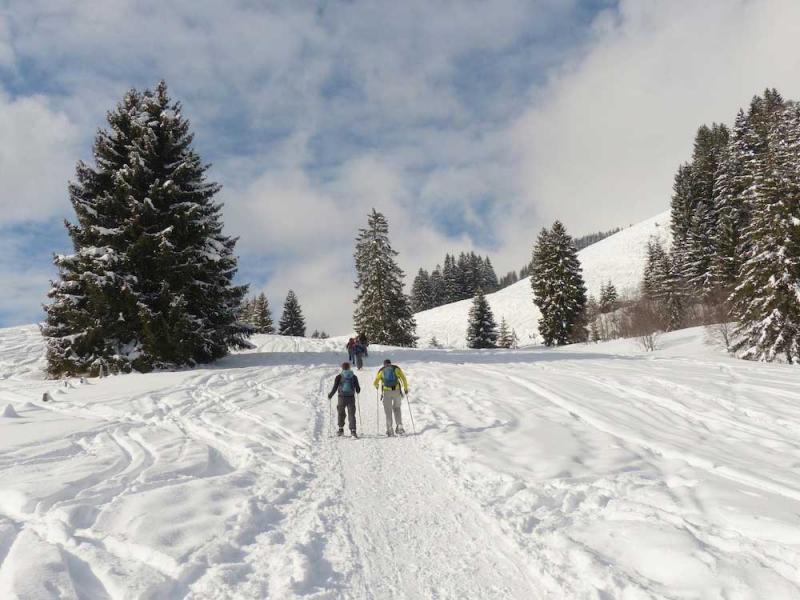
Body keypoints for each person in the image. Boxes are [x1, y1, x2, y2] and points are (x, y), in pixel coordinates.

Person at [373, 359, 409, 436]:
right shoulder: (396, 368)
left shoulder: (382, 370)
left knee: (388, 411)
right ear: (390, 363)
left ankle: (390, 429)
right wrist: (405, 389)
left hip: (386, 392)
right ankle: (399, 426)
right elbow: (404, 379)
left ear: (384, 364)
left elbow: (375, 381)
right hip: (397, 391)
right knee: (397, 408)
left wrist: (377, 385)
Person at [328, 362, 361, 437]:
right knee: (351, 414)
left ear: (342, 368)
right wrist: (357, 390)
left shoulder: (339, 377)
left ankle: (341, 430)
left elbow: (335, 388)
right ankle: (353, 431)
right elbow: (358, 389)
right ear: (349, 368)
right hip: (351, 398)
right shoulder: (354, 377)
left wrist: (330, 395)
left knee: (341, 413)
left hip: (341, 398)